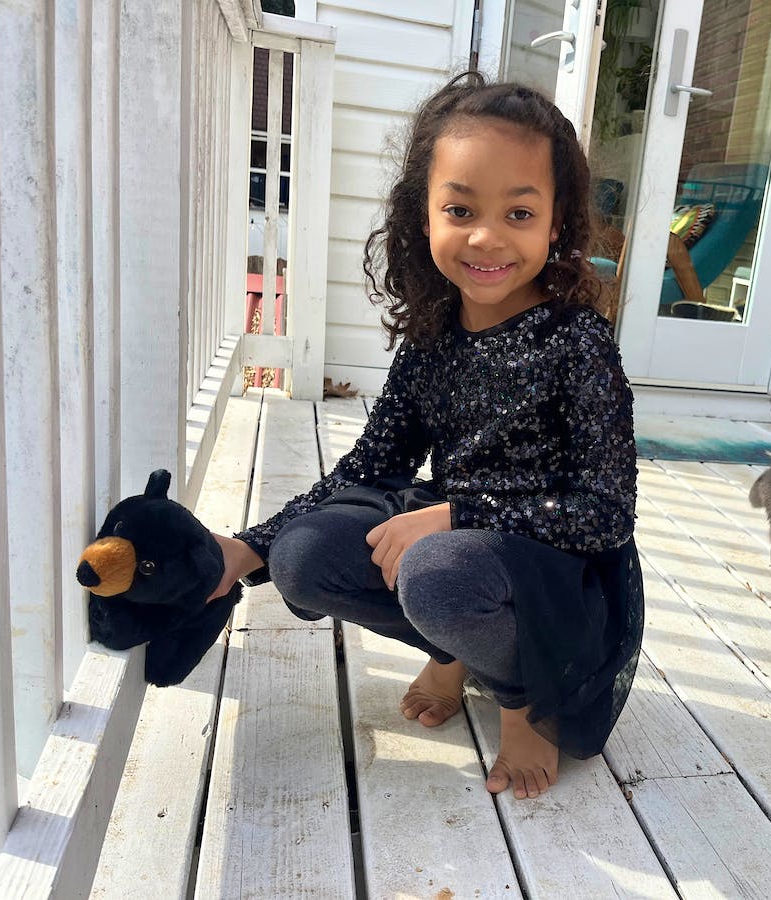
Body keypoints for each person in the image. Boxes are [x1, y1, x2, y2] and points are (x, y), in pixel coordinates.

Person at [210, 72, 643, 801]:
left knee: (438, 574)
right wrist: (252, 542)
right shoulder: (433, 341)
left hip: (559, 579)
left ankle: (523, 698)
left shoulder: (578, 344)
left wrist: (457, 515)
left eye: (518, 212)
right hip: (461, 550)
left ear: (557, 221)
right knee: (304, 558)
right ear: (423, 215)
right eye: (460, 208)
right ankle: (455, 646)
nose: (486, 237)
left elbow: (604, 515)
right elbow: (370, 466)